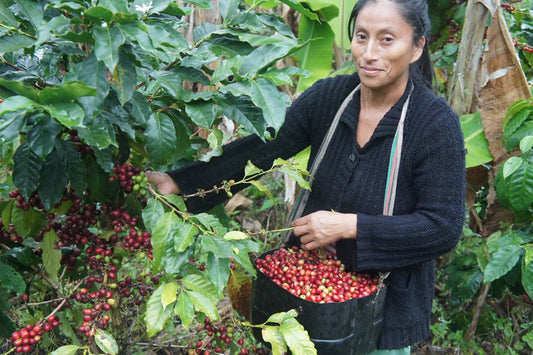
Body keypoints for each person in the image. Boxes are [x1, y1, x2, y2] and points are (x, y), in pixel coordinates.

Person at [146, 0, 466, 353]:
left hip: (382, 311)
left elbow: (443, 227)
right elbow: (261, 148)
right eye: (362, 37)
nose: (369, 53)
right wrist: (181, 183)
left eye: (387, 40)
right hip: (304, 296)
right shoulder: (330, 97)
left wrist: (349, 226)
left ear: (417, 46)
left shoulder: (435, 125)